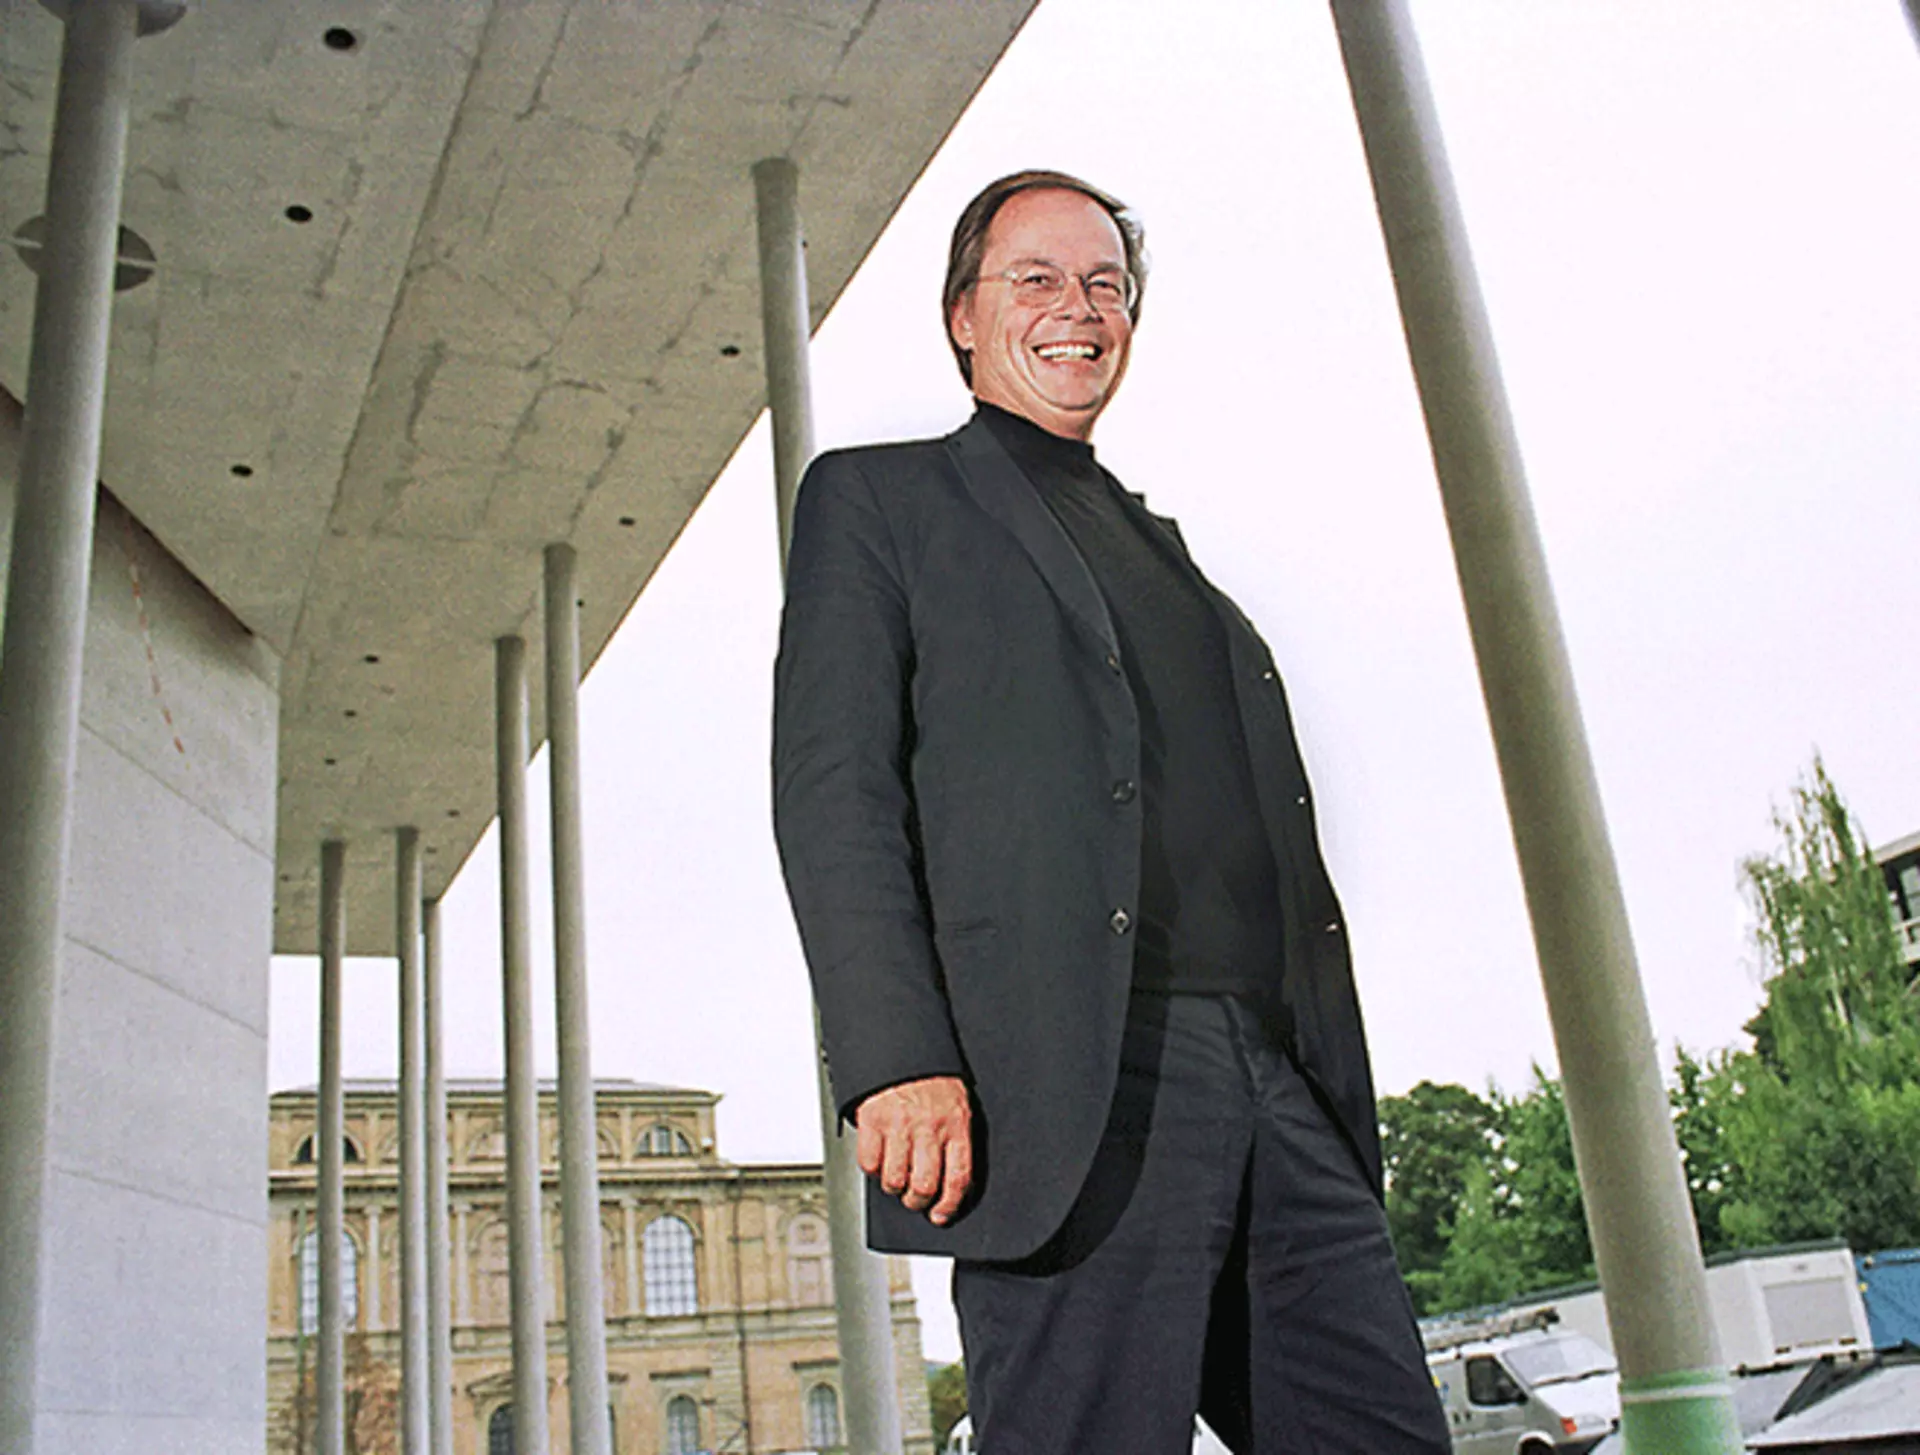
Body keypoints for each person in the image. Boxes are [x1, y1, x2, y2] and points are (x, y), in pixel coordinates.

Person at [773, 170, 1449, 1454]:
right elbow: (832, 789)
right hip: (1079, 1083)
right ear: (964, 317)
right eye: (1036, 278)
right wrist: (891, 1053)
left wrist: (1305, 1077)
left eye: (1106, 285)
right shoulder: (881, 504)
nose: (1078, 307)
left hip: (1276, 1079)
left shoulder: (1168, 556)